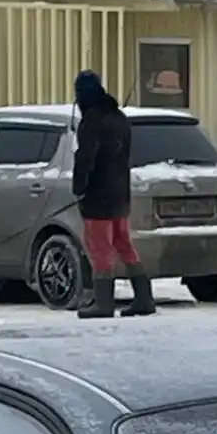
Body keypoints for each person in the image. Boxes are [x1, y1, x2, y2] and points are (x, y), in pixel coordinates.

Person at [71, 69, 156, 316]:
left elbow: (85, 158)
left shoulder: (92, 121)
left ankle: (103, 302)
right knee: (123, 242)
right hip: (120, 193)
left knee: (100, 246)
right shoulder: (119, 118)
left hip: (98, 196)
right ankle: (144, 298)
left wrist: (79, 188)